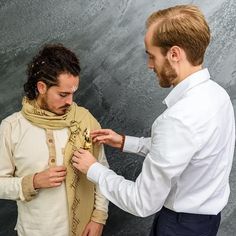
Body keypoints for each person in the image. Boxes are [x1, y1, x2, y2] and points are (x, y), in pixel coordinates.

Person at [72, 4, 235, 236]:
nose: (150, 65)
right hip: (206, 223)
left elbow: (141, 202)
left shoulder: (177, 119)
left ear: (175, 54)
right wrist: (124, 142)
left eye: (151, 56)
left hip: (178, 228)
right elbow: (185, 151)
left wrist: (94, 169)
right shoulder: (217, 95)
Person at [0, 44, 109, 236]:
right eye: (63, 94)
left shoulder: (84, 120)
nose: (70, 101)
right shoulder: (11, 127)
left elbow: (102, 171)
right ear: (42, 87)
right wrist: (32, 182)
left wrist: (98, 217)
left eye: (73, 93)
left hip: (83, 230)